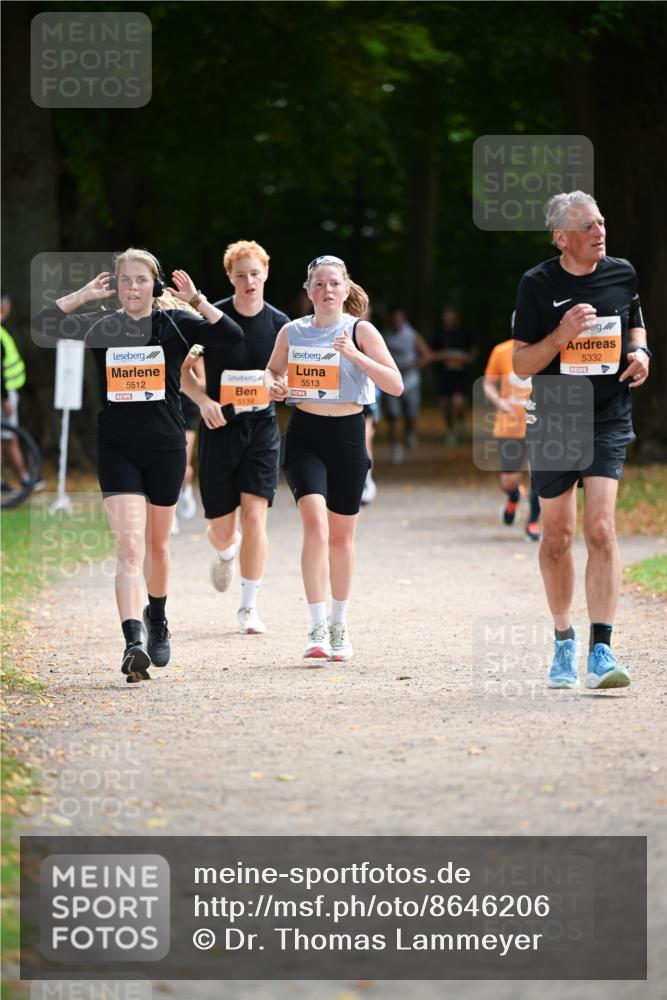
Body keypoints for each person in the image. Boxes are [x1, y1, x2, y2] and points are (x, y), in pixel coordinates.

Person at [32, 249, 243, 682]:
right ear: (116, 284)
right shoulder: (101, 325)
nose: (132, 288)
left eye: (141, 281)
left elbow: (233, 336)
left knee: (157, 547)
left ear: (155, 285)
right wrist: (83, 295)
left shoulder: (174, 323)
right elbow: (43, 325)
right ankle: (132, 644)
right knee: (129, 548)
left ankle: (158, 619)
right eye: (125, 280)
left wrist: (197, 300)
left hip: (165, 447)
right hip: (117, 448)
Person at [512, 191, 650, 690]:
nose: (600, 231)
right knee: (557, 538)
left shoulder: (622, 272)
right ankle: (564, 641)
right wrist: (560, 336)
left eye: (602, 221)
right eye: (588, 226)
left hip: (608, 418)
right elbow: (522, 364)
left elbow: (635, 324)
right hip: (553, 420)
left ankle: (602, 649)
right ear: (562, 237)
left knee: (600, 530)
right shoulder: (537, 285)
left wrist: (643, 353)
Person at [265, 254, 403, 661]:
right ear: (308, 292)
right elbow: (271, 372)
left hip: (347, 436)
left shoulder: (361, 330)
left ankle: (340, 624)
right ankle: (316, 625)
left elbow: (394, 384)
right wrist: (275, 386)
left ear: (346, 290)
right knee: (315, 527)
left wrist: (355, 355)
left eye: (334, 284)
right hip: (305, 434)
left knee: (342, 537)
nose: (327, 291)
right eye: (319, 285)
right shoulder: (292, 331)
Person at [181, 240, 288, 634]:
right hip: (220, 429)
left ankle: (248, 607)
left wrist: (281, 386)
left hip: (261, 428)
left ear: (266, 273)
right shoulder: (212, 319)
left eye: (255, 273)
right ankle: (226, 551)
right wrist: (204, 400)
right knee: (224, 528)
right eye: (240, 275)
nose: (248, 281)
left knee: (256, 515)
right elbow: (182, 370)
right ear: (230, 277)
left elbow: (287, 375)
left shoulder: (280, 324)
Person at [483, 328, 541, 541]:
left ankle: (533, 522)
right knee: (509, 480)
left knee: (538, 475)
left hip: (538, 424)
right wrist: (499, 402)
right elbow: (488, 383)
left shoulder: (545, 350)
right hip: (508, 425)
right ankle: (514, 495)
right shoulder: (501, 351)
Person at [381, 306, 432, 464]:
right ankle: (396, 447)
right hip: (391, 382)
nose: (396, 322)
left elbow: (427, 355)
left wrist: (414, 365)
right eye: (394, 320)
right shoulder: (385, 336)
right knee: (393, 416)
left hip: (410, 383)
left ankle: (410, 433)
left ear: (403, 320)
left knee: (410, 416)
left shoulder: (411, 335)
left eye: (399, 319)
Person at [1, 293, 34, 490]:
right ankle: (25, 479)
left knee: (6, 438)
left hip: (7, 393)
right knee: (9, 438)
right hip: (4, 395)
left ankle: (23, 478)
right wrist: (5, 398)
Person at [432, 304, 476, 446]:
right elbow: (431, 353)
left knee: (458, 402)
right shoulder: (438, 334)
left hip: (460, 374)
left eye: (452, 314)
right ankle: (450, 431)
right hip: (444, 374)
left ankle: (461, 418)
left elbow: (473, 349)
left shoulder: (464, 333)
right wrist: (442, 356)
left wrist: (468, 358)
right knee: (445, 405)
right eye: (447, 314)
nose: (450, 317)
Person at [172, 352, 204, 535]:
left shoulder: (194, 349)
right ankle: (171, 515)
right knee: (167, 465)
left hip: (186, 408)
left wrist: (182, 381)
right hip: (164, 406)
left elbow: (203, 381)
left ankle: (186, 489)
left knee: (183, 465)